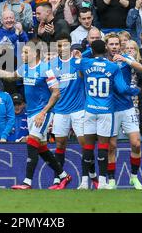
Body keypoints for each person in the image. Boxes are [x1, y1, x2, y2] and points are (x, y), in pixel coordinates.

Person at [0, 41, 72, 190]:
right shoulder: (25, 68)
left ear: (35, 53)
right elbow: (10, 76)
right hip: (31, 113)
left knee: (32, 142)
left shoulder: (46, 69)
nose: (22, 55)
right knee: (42, 148)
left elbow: (56, 93)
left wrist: (43, 113)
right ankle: (63, 176)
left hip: (42, 112)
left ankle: (27, 182)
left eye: (25, 52)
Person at [75, 39, 139, 189]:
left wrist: (85, 52)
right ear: (105, 49)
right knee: (104, 146)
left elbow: (73, 61)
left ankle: (84, 182)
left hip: (89, 109)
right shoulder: (112, 66)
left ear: (92, 50)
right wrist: (135, 90)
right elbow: (123, 89)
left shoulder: (85, 63)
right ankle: (103, 181)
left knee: (88, 147)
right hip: (106, 111)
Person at [48, 34, 97, 189]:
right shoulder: (52, 65)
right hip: (61, 110)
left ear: (70, 45)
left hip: (78, 110)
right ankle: (58, 179)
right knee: (60, 144)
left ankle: (91, 177)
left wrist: (82, 57)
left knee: (84, 144)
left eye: (65, 45)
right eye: (59, 46)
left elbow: (94, 53)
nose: (62, 48)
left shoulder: (78, 62)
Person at [105, 32, 142, 190]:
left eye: (116, 44)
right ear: (106, 45)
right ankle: (112, 180)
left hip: (128, 107)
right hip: (110, 109)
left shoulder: (125, 59)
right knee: (111, 146)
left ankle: (134, 178)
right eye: (111, 44)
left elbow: (141, 68)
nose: (114, 47)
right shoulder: (102, 61)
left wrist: (126, 59)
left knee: (136, 143)